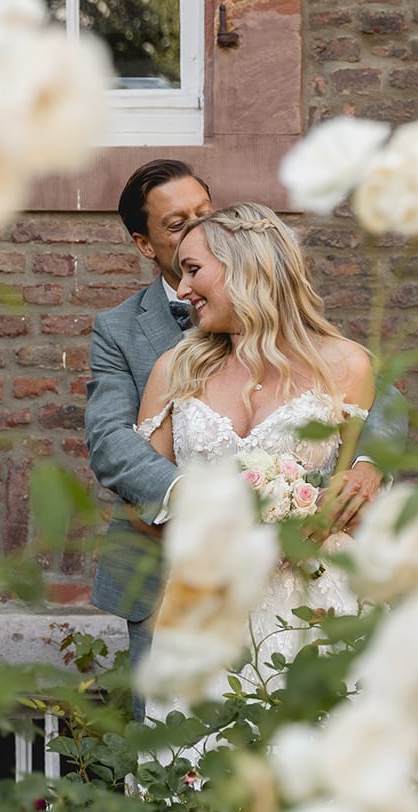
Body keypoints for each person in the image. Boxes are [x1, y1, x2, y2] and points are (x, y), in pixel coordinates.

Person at [84, 164, 401, 717]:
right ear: (143, 242)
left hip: (312, 594)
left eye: (204, 216)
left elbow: (383, 404)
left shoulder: (330, 355)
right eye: (177, 223)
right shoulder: (139, 342)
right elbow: (112, 442)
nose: (195, 230)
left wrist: (368, 466)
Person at [133, 202, 373, 708]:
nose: (181, 290)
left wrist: (343, 495)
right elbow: (145, 501)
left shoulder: (346, 365)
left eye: (194, 270)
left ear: (246, 266)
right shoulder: (174, 369)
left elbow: (357, 484)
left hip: (314, 603)